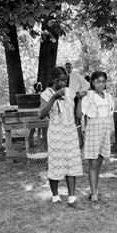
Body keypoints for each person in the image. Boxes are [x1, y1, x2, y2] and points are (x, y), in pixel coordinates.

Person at [39, 67, 84, 208]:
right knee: (56, 164)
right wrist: (53, 98)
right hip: (55, 134)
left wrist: (80, 100)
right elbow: (41, 114)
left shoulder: (70, 92)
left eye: (65, 80)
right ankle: (55, 196)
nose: (63, 83)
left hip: (70, 133)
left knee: (72, 164)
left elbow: (77, 116)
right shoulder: (46, 94)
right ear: (53, 79)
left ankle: (71, 198)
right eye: (60, 80)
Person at [78, 71, 114, 204]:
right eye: (98, 81)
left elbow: (110, 115)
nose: (101, 84)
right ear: (93, 82)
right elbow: (80, 115)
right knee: (93, 162)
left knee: (99, 161)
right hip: (93, 129)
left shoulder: (108, 96)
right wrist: (80, 99)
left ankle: (95, 189)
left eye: (103, 81)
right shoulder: (89, 96)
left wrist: (112, 131)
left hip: (105, 129)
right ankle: (93, 193)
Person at [65, 62, 90, 148]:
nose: (67, 69)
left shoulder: (75, 75)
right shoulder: (64, 77)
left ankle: (80, 140)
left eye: (69, 67)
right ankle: (72, 140)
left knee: (77, 119)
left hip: (75, 98)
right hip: (66, 100)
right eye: (66, 67)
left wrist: (79, 92)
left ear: (71, 68)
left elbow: (87, 84)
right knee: (69, 119)